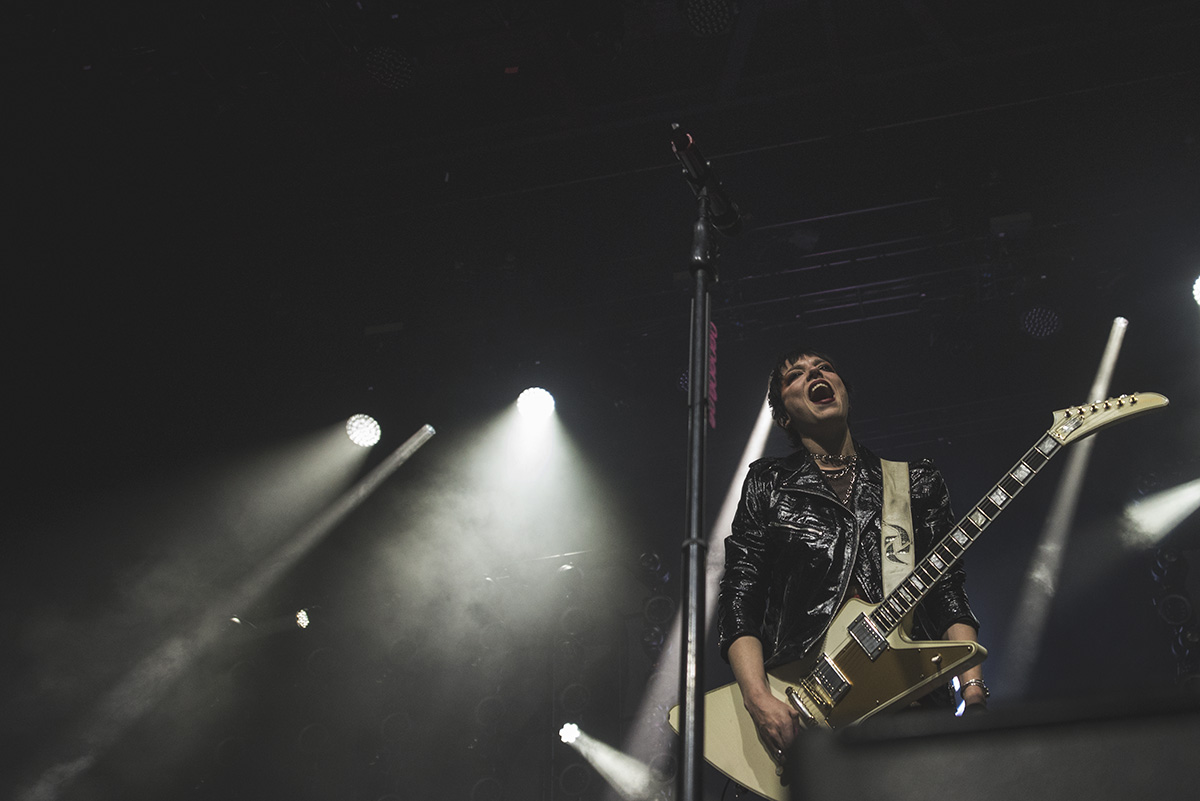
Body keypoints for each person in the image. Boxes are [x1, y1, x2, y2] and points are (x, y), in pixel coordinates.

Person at [717, 347, 988, 758]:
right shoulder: (769, 483)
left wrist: (973, 688)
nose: (815, 374)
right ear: (784, 415)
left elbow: (947, 589)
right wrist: (758, 700)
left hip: (908, 712)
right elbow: (741, 596)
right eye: (797, 375)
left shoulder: (913, 482)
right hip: (806, 710)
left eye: (824, 368)